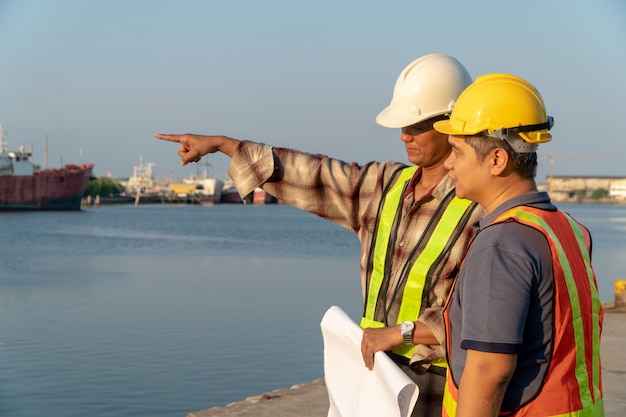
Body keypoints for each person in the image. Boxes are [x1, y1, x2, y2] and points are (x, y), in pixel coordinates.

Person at [155, 53, 484, 417]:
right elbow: (315, 174)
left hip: (437, 383)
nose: (404, 135)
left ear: (453, 125)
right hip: (375, 374)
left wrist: (400, 333)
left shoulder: (479, 208)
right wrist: (223, 144)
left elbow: (481, 314)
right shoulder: (385, 185)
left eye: (417, 125)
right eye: (402, 125)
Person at [433, 73, 604, 417]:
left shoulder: (501, 244)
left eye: (456, 151)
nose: (448, 164)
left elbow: (488, 372)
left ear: (497, 160)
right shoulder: (567, 229)